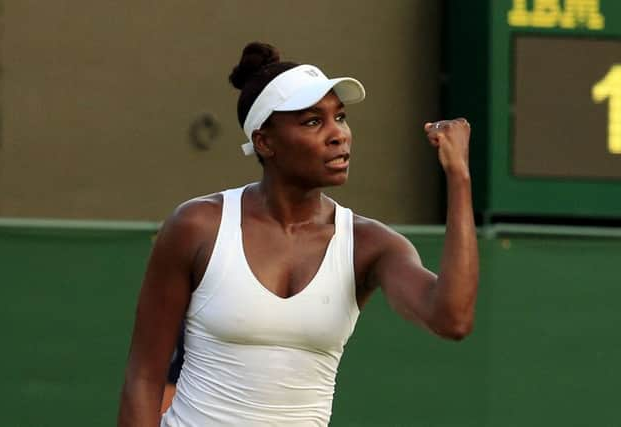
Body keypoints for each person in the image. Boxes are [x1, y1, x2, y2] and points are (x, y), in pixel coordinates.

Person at [117, 42, 478, 427]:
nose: (338, 134)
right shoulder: (196, 226)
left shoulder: (370, 245)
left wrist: (459, 178)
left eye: (340, 117)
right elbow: (144, 378)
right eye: (312, 121)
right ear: (264, 141)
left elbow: (451, 318)